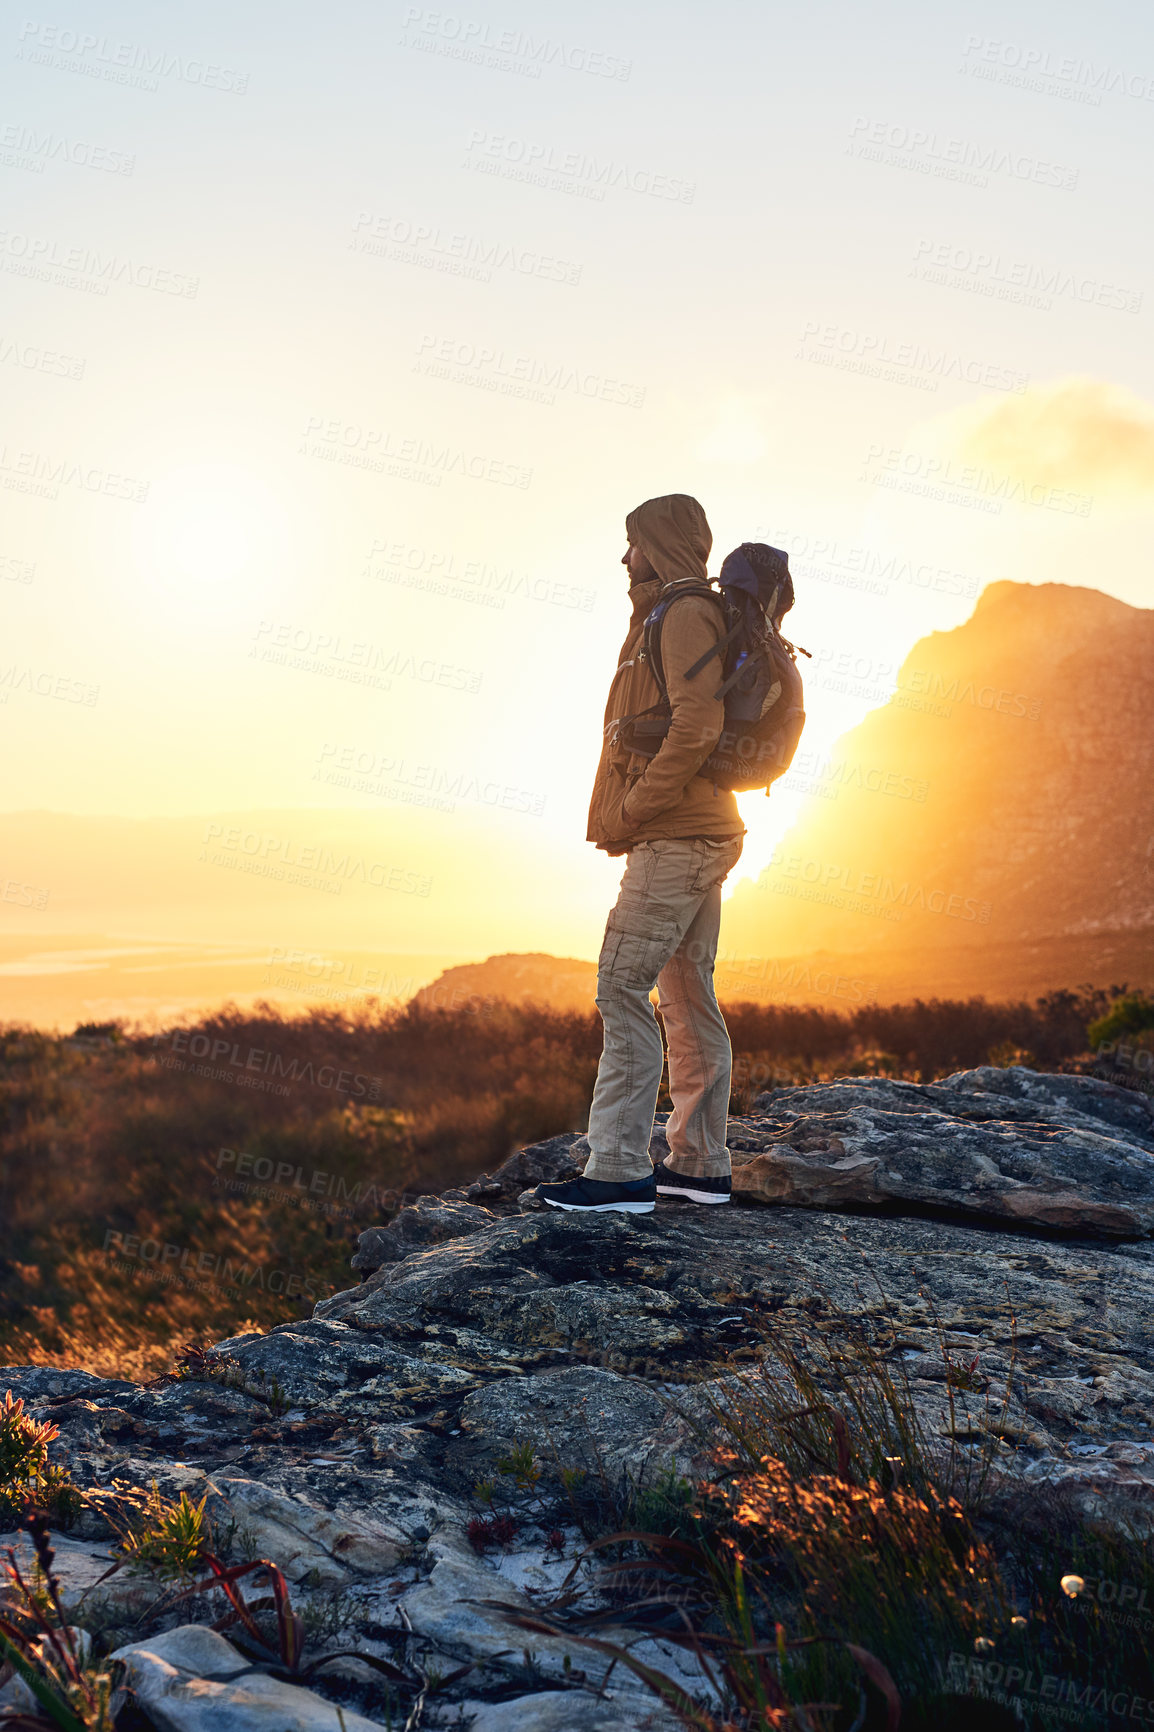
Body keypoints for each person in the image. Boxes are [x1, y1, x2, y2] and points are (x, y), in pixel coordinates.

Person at [535, 493, 746, 1214]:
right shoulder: (680, 611)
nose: (624, 557)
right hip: (702, 832)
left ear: (657, 543)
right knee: (686, 993)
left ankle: (620, 1170)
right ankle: (699, 1165)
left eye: (632, 542)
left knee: (622, 990)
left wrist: (634, 809)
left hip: (678, 837)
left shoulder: (684, 613)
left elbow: (696, 724)